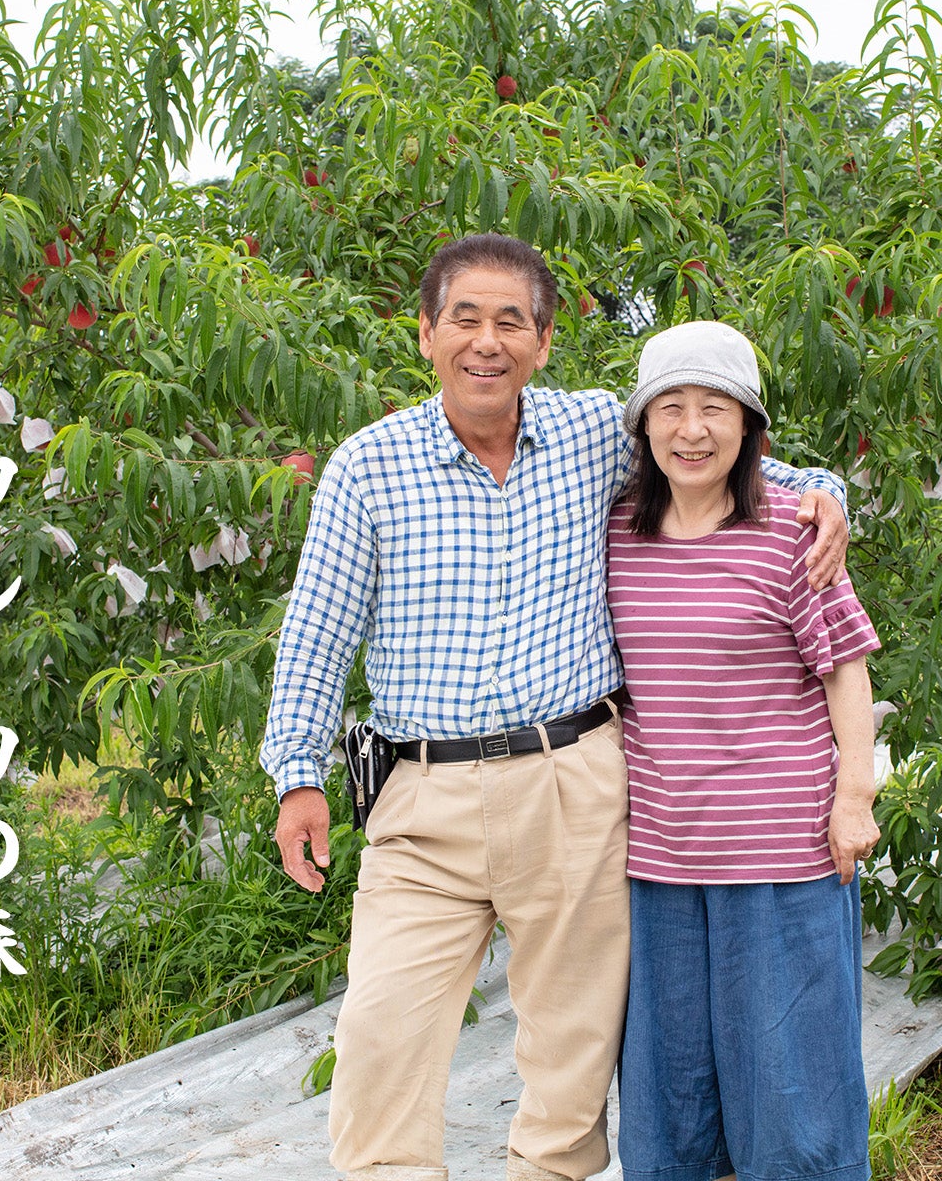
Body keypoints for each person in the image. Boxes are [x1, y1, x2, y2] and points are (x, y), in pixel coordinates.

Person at [258, 234, 851, 1181]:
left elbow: (713, 456)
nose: (485, 342)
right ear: (425, 335)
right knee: (379, 1045)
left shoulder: (589, 437)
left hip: (574, 783)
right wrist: (299, 776)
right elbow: (319, 630)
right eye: (465, 319)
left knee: (570, 1071)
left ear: (542, 342)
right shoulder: (368, 466)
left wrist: (824, 492)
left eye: (510, 322)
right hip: (422, 801)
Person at [606, 320, 882, 1181]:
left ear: (750, 428)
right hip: (657, 856)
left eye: (715, 410)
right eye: (672, 409)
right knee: (666, 1094)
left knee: (791, 1093)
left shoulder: (792, 536)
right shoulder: (616, 532)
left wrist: (855, 799)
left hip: (782, 854)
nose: (693, 430)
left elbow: (847, 673)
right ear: (644, 427)